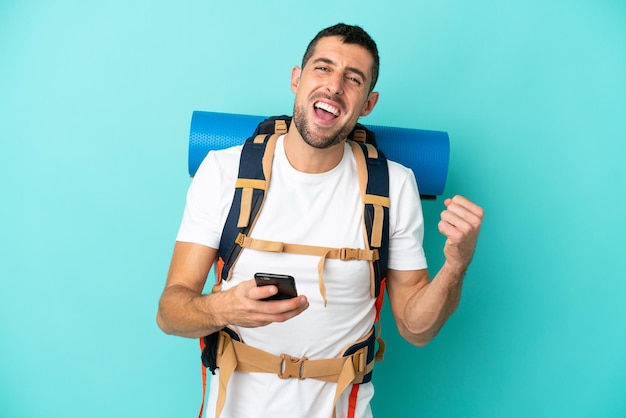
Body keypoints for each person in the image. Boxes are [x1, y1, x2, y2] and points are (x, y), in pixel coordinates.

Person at [157, 23, 484, 418]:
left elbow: (417, 329)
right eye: (323, 68)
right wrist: (223, 309)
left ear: (368, 104)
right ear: (297, 78)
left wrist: (456, 264)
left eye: (353, 79)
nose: (333, 87)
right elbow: (170, 311)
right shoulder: (224, 172)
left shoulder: (394, 186)